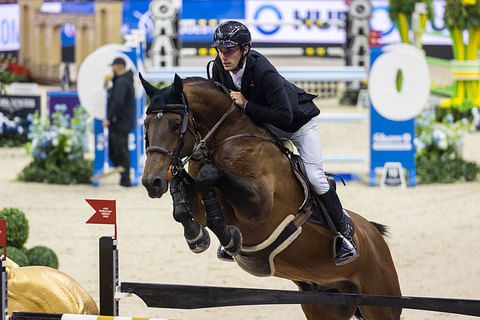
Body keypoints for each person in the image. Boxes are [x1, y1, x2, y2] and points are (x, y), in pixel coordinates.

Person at [210, 21, 358, 266]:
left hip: (297, 126)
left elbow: (284, 116)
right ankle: (230, 234)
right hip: (264, 127)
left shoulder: (263, 71)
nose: (223, 56)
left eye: (230, 50)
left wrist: (246, 105)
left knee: (314, 176)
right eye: (220, 50)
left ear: (245, 49)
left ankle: (343, 234)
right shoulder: (218, 68)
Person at [102, 57, 135, 187]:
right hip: (123, 121)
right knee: (120, 150)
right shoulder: (123, 80)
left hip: (120, 122)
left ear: (117, 66)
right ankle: (124, 178)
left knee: (120, 150)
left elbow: (118, 102)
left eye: (113, 66)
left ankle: (125, 180)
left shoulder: (122, 82)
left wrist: (109, 118)